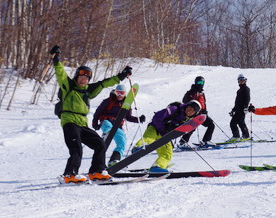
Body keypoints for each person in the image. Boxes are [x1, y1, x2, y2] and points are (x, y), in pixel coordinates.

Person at [50, 45, 132, 183]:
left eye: (86, 78)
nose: (83, 80)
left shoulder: (88, 90)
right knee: (76, 149)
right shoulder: (68, 86)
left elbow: (105, 83)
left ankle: (96, 171)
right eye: (81, 77)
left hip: (82, 123)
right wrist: (56, 59)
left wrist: (122, 75)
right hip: (70, 122)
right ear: (77, 77)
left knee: (100, 144)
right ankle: (69, 175)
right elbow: (60, 73)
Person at [134, 100, 202, 172]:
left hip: (165, 136)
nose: (190, 111)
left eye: (193, 111)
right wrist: (162, 128)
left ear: (194, 114)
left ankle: (158, 166)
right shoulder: (174, 109)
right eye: (190, 108)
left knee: (167, 153)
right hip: (155, 128)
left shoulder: (187, 121)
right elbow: (157, 117)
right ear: (187, 106)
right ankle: (138, 147)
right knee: (149, 138)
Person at [92, 83, 146, 164]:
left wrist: (138, 119)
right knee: (108, 126)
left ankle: (114, 160)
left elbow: (128, 117)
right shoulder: (108, 101)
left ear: (125, 94)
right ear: (115, 92)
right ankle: (107, 134)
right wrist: (95, 123)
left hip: (118, 125)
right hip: (106, 120)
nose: (119, 95)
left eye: (122, 93)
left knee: (122, 141)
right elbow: (97, 112)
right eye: (118, 93)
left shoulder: (126, 104)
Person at [179, 76, 216, 148]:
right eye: (199, 82)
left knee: (211, 125)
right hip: (194, 114)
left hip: (202, 114)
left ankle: (206, 140)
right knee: (191, 128)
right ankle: (182, 143)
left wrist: (205, 111)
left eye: (202, 82)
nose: (200, 84)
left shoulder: (201, 93)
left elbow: (203, 103)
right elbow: (186, 102)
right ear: (195, 82)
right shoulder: (192, 92)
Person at [229, 74, 251, 140]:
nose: (241, 81)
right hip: (238, 109)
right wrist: (233, 109)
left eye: (242, 80)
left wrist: (245, 107)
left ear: (245, 81)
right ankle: (237, 136)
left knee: (240, 122)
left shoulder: (246, 89)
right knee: (234, 123)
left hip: (242, 109)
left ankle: (245, 136)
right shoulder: (239, 91)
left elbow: (247, 98)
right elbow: (237, 101)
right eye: (239, 80)